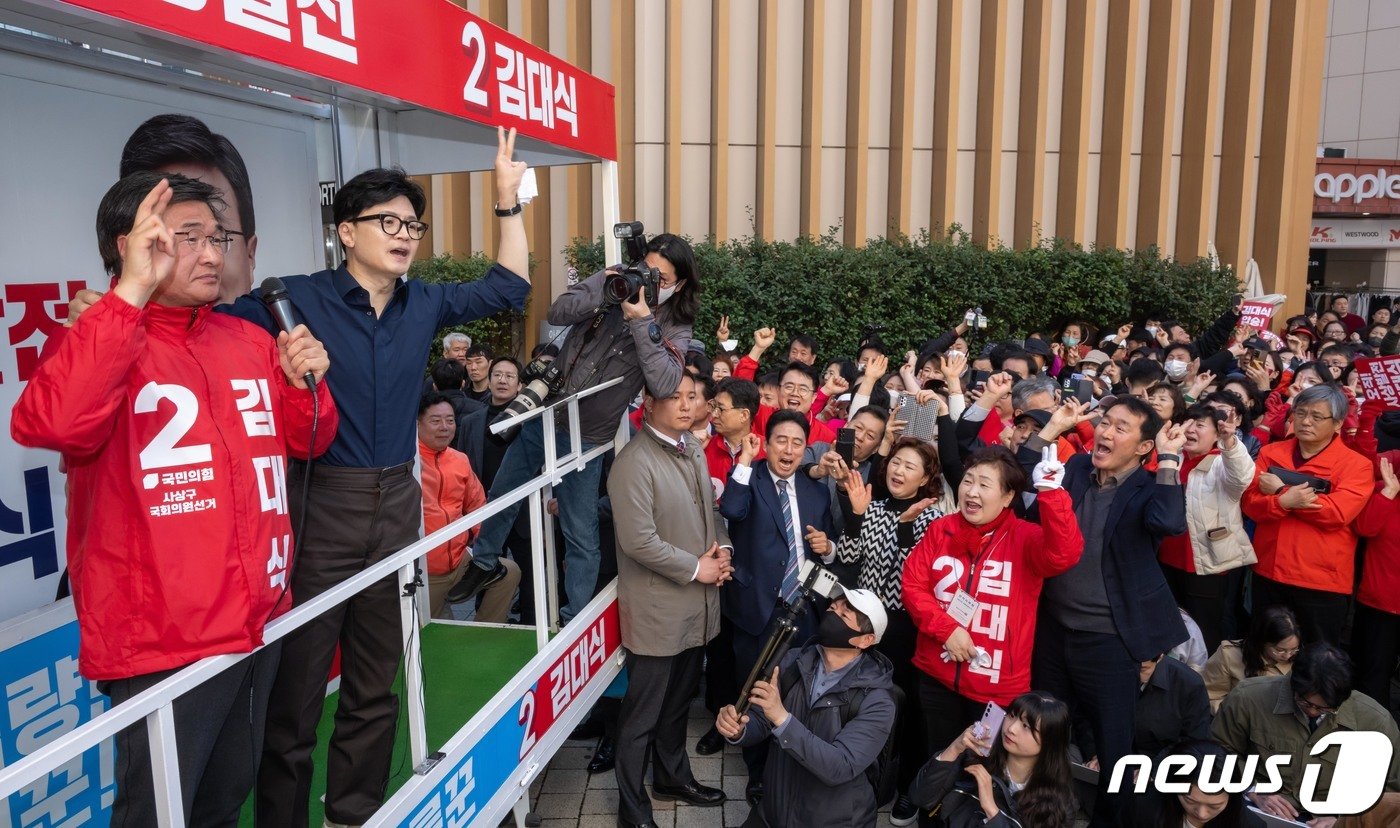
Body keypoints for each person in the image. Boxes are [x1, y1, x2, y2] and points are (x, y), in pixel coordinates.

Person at [11, 172, 336, 826]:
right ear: (130, 248)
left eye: (216, 238)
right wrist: (126, 297)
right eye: (187, 239)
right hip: (165, 642)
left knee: (224, 798)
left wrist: (309, 385)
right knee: (160, 813)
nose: (212, 254)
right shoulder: (103, 340)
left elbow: (309, 439)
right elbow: (46, 424)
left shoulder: (246, 339)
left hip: (257, 620)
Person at [246, 130, 532, 826]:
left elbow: (511, 285)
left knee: (377, 682)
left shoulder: (424, 302)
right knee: (299, 690)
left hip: (395, 503)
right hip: (322, 505)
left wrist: (505, 204)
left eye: (413, 225)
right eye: (388, 223)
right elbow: (200, 327)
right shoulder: (294, 298)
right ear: (347, 231)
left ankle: (355, 813)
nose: (404, 236)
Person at [453, 233, 699, 623]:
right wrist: (604, 288)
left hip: (588, 434)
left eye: (662, 279)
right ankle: (485, 563)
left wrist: (642, 322)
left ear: (680, 284)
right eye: (646, 271)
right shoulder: (614, 282)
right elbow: (559, 310)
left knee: (579, 531)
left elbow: (666, 382)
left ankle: (575, 617)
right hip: (548, 414)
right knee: (504, 490)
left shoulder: (676, 325)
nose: (649, 282)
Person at [1031, 397, 1188, 825]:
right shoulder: (1078, 469)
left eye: (1121, 428)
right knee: (1041, 731)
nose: (1105, 432)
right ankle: (1042, 814)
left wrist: (1170, 458)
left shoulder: (1150, 485)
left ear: (1143, 447)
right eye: (1104, 422)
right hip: (1052, 627)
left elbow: (1170, 523)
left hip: (1110, 640)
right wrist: (1050, 432)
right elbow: (1022, 493)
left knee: (1114, 747)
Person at [903, 443, 1083, 798]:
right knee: (937, 753)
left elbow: (1065, 553)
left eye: (985, 484)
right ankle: (927, 808)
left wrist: (1052, 495)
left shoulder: (1026, 538)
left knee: (983, 767)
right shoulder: (942, 530)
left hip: (995, 688)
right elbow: (913, 585)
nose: (971, 491)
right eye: (968, 481)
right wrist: (946, 629)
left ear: (1008, 496)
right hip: (936, 673)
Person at [608, 372, 734, 827]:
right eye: (674, 396)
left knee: (679, 704)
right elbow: (638, 541)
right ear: (648, 400)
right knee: (641, 716)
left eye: (692, 396)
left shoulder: (693, 448)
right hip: (659, 611)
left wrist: (723, 550)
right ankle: (631, 808)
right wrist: (696, 567)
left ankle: (671, 777)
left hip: (697, 608)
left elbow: (711, 513)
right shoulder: (633, 462)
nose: (686, 405)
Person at [720, 409, 837, 805]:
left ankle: (791, 760)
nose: (788, 450)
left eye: (797, 443)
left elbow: (829, 543)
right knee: (753, 686)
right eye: (780, 441)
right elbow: (732, 512)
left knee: (796, 688)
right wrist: (744, 461)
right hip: (757, 605)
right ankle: (757, 773)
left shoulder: (815, 488)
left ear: (806, 450)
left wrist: (828, 546)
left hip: (804, 605)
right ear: (765, 443)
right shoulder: (748, 480)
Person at [833, 437, 947, 823]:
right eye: (895, 462)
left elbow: (914, 576)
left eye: (910, 466)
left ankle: (907, 788)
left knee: (907, 708)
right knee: (858, 701)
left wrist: (906, 527)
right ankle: (860, 775)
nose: (898, 471)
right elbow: (849, 559)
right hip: (864, 621)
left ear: (927, 476)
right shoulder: (875, 506)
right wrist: (855, 515)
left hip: (902, 628)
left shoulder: (934, 520)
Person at [715, 590, 897, 828]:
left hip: (832, 820)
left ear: (865, 640)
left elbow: (839, 767)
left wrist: (782, 718)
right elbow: (762, 720)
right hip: (773, 811)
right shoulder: (793, 661)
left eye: (844, 615)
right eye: (832, 608)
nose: (832, 614)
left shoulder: (877, 700)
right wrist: (739, 729)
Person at [1241, 384, 1373, 645]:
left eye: (1316, 416)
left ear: (1337, 423)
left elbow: (1336, 513)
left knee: (1317, 660)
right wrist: (1284, 503)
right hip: (1269, 570)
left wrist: (1281, 492)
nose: (1305, 422)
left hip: (1321, 580)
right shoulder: (1271, 453)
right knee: (1262, 652)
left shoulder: (1356, 465)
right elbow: (1250, 503)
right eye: (1300, 413)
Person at [1212, 644, 1400, 824]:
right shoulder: (1248, 697)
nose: (1313, 712)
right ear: (1293, 683)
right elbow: (1217, 751)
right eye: (1305, 703)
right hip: (1258, 808)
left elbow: (1392, 789)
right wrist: (1252, 789)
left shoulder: (1377, 722)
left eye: (1326, 709)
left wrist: (1345, 819)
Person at [119, 113, 259, 301]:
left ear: (250, 255)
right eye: (189, 237)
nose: (209, 258)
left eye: (217, 239)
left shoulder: (286, 327)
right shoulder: (96, 325)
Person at [1157, 402, 1257, 654]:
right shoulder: (1172, 459)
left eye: (1200, 425)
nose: (1191, 430)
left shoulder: (1220, 463)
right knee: (1167, 624)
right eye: (1188, 423)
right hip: (1166, 559)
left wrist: (1230, 443)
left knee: (1204, 629)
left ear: (1216, 434)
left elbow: (1241, 477)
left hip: (1206, 564)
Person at [417, 393, 519, 621]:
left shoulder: (459, 459)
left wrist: (484, 554)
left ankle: (484, 633)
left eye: (450, 420)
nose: (444, 427)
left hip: (460, 561)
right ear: (417, 424)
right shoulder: (408, 464)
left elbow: (478, 506)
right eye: (435, 421)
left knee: (509, 572)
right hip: (425, 571)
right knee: (437, 638)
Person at [908, 692, 1076, 828]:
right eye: (1011, 715)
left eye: (1026, 726)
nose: (1011, 729)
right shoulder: (974, 756)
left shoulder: (1058, 801)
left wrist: (992, 810)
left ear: (1050, 742)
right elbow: (919, 798)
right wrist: (954, 748)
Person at [1118, 740, 1267, 827]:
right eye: (1189, 800)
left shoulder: (1250, 825)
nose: (1201, 814)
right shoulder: (1142, 808)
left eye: (1214, 806)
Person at [1352, 456, 1400, 712]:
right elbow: (1364, 528)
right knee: (1372, 679)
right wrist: (1388, 493)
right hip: (1378, 602)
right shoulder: (1385, 488)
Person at [1202, 605, 1301, 713]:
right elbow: (1212, 697)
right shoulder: (1229, 655)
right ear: (1262, 642)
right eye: (1279, 650)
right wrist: (1237, 717)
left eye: (1293, 649)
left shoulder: (1299, 660)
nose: (1287, 656)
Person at [1129, 654, 1210, 759]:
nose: (1134, 676)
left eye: (1143, 669)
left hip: (1166, 763)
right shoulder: (1109, 674)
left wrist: (1153, 767)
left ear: (1159, 657)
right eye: (1129, 668)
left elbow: (1195, 741)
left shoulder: (1188, 684)